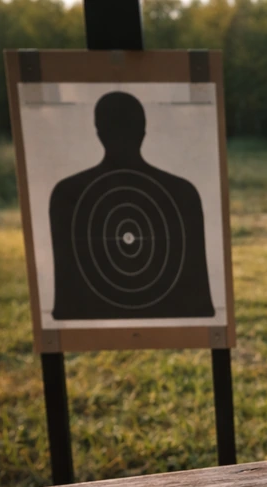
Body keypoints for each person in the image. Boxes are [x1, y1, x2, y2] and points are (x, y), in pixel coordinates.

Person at [49, 91, 215, 320]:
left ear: (99, 132)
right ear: (143, 131)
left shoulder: (68, 193)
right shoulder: (182, 192)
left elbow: (71, 298)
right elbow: (194, 298)